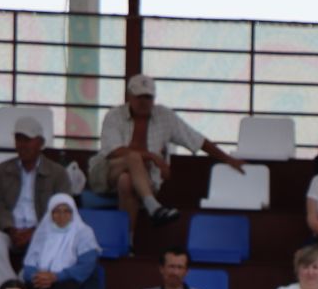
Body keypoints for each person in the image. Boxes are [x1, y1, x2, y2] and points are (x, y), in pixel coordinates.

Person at [90, 74, 247, 227]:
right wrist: (153, 157)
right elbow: (112, 150)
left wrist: (228, 159)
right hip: (108, 173)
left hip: (145, 179)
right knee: (133, 158)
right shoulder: (114, 115)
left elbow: (196, 139)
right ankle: (154, 207)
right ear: (129, 96)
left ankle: (127, 243)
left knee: (126, 181)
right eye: (139, 97)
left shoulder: (165, 116)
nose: (144, 102)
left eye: (148, 97)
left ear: (154, 98)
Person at [0, 117, 67, 288]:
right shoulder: (3, 169)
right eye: (19, 139)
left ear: (41, 143)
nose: (22, 144)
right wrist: (10, 229)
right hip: (10, 230)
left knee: (51, 241)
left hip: (42, 230)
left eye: (27, 140)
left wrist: (35, 231)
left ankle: (24, 285)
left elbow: (63, 210)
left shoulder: (57, 173)